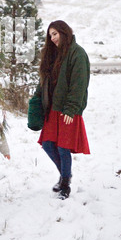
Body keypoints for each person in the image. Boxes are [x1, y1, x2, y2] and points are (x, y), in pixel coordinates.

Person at [30, 20, 90, 199]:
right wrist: (37, 99)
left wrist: (71, 108)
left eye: (55, 34)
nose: (53, 38)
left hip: (67, 110)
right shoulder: (52, 54)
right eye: (50, 35)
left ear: (65, 32)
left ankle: (65, 184)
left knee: (63, 148)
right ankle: (66, 175)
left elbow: (79, 84)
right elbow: (44, 81)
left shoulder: (77, 54)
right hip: (52, 108)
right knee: (48, 144)